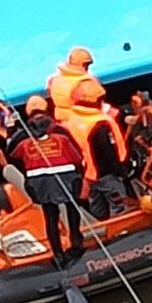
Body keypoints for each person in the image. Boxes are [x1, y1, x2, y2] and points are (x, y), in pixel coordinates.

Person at [6, 94, 86, 264]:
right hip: (66, 177)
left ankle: (57, 254)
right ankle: (76, 244)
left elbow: (12, 155)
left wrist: (11, 132)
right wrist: (80, 173)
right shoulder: (60, 131)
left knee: (50, 216)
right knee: (72, 208)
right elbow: (77, 155)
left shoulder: (22, 136)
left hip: (38, 181)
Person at [62, 78, 130, 220]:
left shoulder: (73, 120)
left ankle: (101, 228)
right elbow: (108, 151)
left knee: (97, 208)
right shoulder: (99, 125)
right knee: (120, 207)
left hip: (87, 174)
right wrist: (121, 170)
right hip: (105, 174)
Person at [47, 46, 98, 120]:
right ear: (83, 65)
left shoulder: (52, 80)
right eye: (86, 65)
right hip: (80, 121)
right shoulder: (85, 83)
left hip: (61, 120)